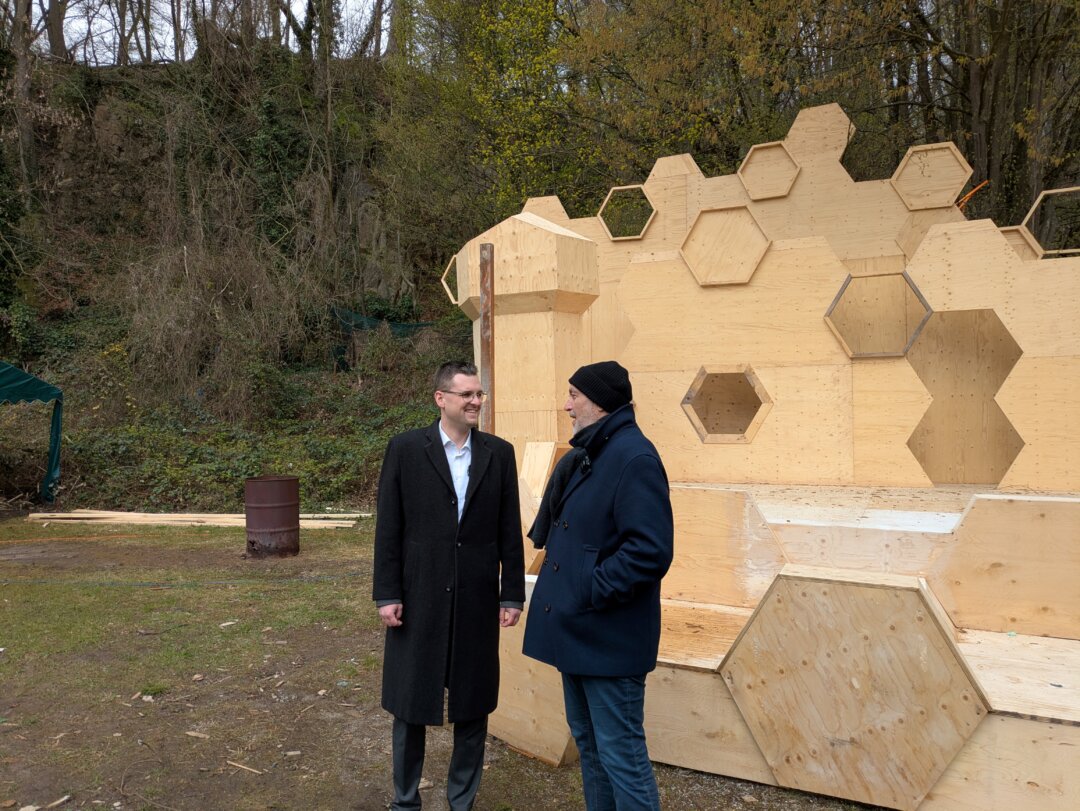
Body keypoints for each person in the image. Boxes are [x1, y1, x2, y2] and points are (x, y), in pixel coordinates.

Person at [373, 360, 525, 811]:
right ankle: (405, 801)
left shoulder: (499, 453)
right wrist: (388, 593)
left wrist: (512, 593)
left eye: (479, 394)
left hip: (477, 596)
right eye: (467, 394)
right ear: (441, 399)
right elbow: (389, 527)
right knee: (410, 700)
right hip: (418, 594)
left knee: (472, 702)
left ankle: (462, 802)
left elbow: (509, 528)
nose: (476, 401)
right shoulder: (405, 449)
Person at [522, 360, 674, 811]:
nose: (567, 406)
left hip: (609, 638)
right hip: (580, 631)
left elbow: (649, 551)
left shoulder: (634, 458)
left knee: (621, 755)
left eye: (574, 396)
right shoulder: (596, 453)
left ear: (602, 402)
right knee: (590, 746)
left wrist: (588, 589)